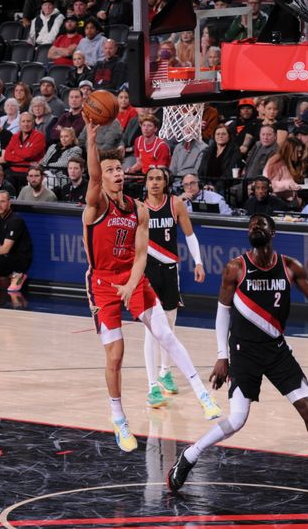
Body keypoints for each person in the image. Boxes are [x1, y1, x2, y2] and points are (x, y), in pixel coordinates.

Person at [167, 214, 308, 496]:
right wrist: (222, 356)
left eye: (260, 224)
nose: (254, 227)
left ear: (273, 232)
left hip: (277, 350)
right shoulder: (235, 268)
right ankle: (190, 456)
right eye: (251, 224)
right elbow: (223, 312)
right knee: (238, 419)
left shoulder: (290, 267)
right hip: (243, 351)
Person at [81, 119, 221, 453]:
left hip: (132, 277)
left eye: (119, 168)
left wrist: (131, 283)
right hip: (101, 284)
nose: (116, 173)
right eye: (110, 169)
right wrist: (91, 140)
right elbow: (93, 176)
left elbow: (142, 254)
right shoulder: (96, 204)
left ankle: (203, 396)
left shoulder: (138, 209)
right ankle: (119, 419)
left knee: (166, 334)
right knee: (115, 355)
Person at [142, 167, 206, 408]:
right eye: (151, 179)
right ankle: (152, 387)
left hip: (170, 271)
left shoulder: (176, 204)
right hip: (147, 271)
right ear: (146, 183)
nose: (155, 182)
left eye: (159, 178)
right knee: (150, 329)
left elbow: (189, 235)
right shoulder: (140, 208)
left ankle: (165, 372)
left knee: (168, 325)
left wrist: (198, 262)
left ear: (166, 182)